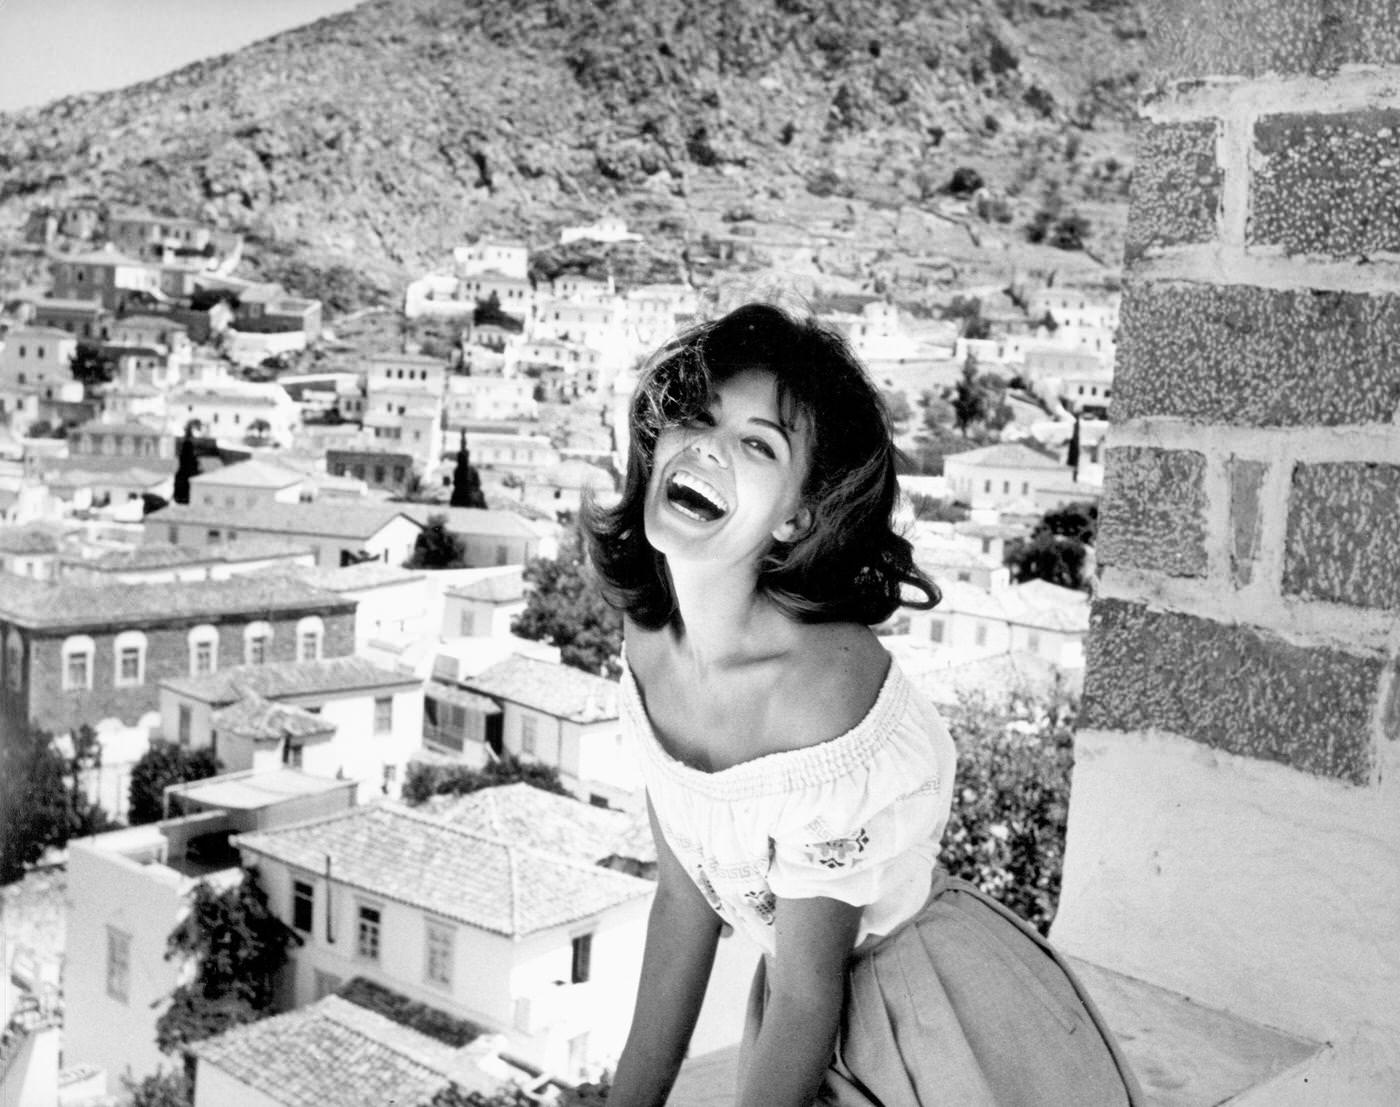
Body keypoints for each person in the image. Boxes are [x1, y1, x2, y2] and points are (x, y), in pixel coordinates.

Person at [583, 302, 1142, 1106]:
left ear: (797, 517)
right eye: (698, 419)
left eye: (756, 444)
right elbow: (684, 899)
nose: (707, 446)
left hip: (928, 1015)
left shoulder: (824, 699)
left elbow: (813, 994)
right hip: (803, 1009)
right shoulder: (645, 638)